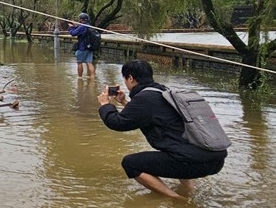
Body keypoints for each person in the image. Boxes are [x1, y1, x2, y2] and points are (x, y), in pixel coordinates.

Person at [97, 60, 227, 199]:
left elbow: (117, 123)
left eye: (125, 78)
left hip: (194, 163)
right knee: (178, 149)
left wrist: (105, 105)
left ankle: (178, 199)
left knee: (130, 163)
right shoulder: (163, 91)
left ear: (130, 78)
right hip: (215, 160)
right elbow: (143, 114)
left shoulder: (144, 99)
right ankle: (188, 191)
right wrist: (123, 101)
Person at [68, 12, 95, 78]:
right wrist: (75, 26)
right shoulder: (89, 26)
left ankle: (79, 77)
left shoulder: (83, 26)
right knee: (89, 63)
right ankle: (92, 77)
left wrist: (71, 28)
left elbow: (73, 33)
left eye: (79, 19)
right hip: (90, 47)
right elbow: (79, 30)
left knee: (79, 63)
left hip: (83, 47)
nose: (78, 20)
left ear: (81, 19)